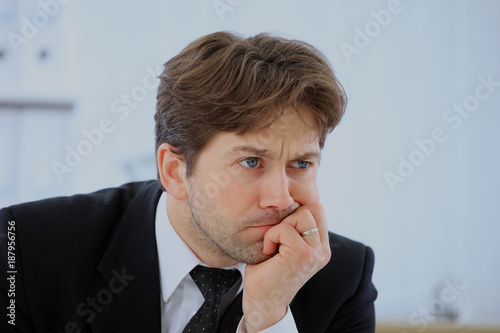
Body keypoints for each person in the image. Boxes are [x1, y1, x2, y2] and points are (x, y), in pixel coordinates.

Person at [0, 31, 377, 332]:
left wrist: (268, 318)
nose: (280, 199)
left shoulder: (341, 278)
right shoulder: (25, 246)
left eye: (301, 163)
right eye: (251, 161)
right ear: (174, 170)